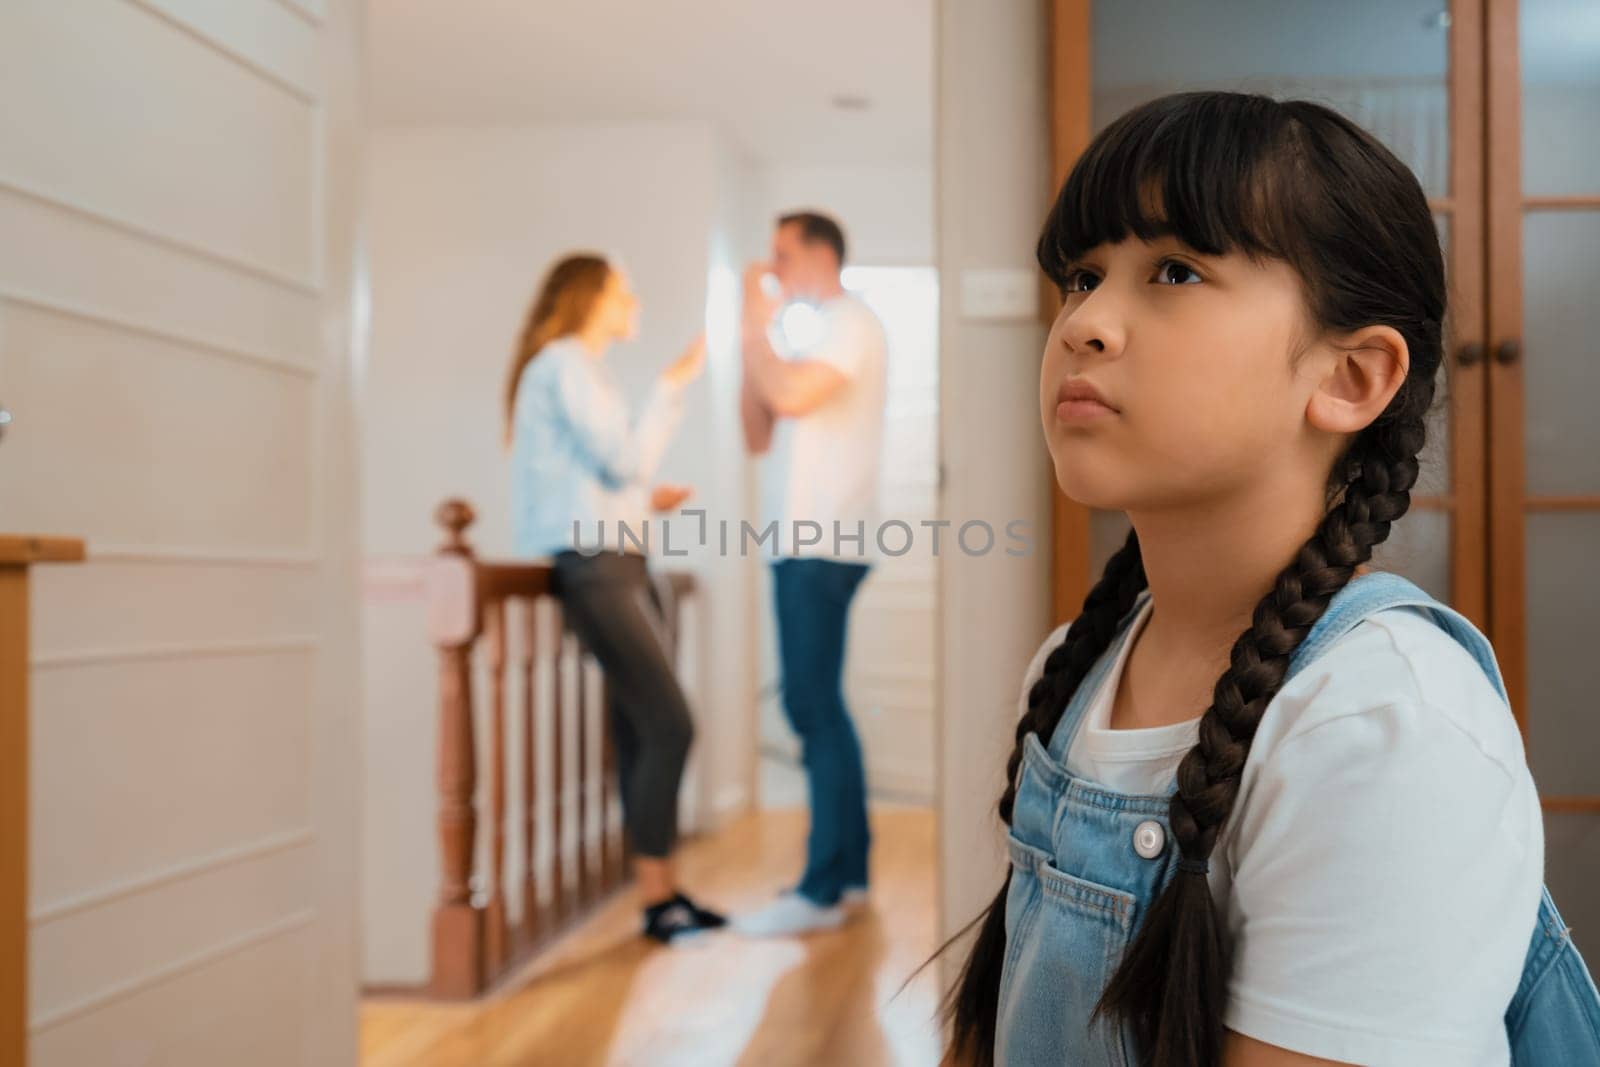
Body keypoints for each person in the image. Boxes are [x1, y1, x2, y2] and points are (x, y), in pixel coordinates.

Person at [948, 92, 1600, 1066]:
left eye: (1174, 270)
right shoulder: (1072, 665)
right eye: (1082, 276)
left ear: (1350, 376)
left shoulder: (1380, 721)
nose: (1085, 323)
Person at [505, 253, 723, 944]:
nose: (634, 299)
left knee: (642, 727)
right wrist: (671, 385)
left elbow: (605, 475)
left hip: (620, 557)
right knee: (670, 722)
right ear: (589, 295)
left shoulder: (577, 368)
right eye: (623, 288)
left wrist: (639, 500)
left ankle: (659, 892)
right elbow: (623, 459)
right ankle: (657, 898)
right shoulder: (564, 360)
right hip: (597, 566)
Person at [735, 212, 889, 937]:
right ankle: (849, 874)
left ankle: (822, 887)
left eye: (783, 251)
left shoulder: (849, 321)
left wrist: (753, 322)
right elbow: (758, 428)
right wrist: (755, 333)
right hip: (804, 543)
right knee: (821, 705)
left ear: (821, 252)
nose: (772, 264)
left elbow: (790, 398)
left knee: (810, 706)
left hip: (823, 544)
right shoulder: (810, 333)